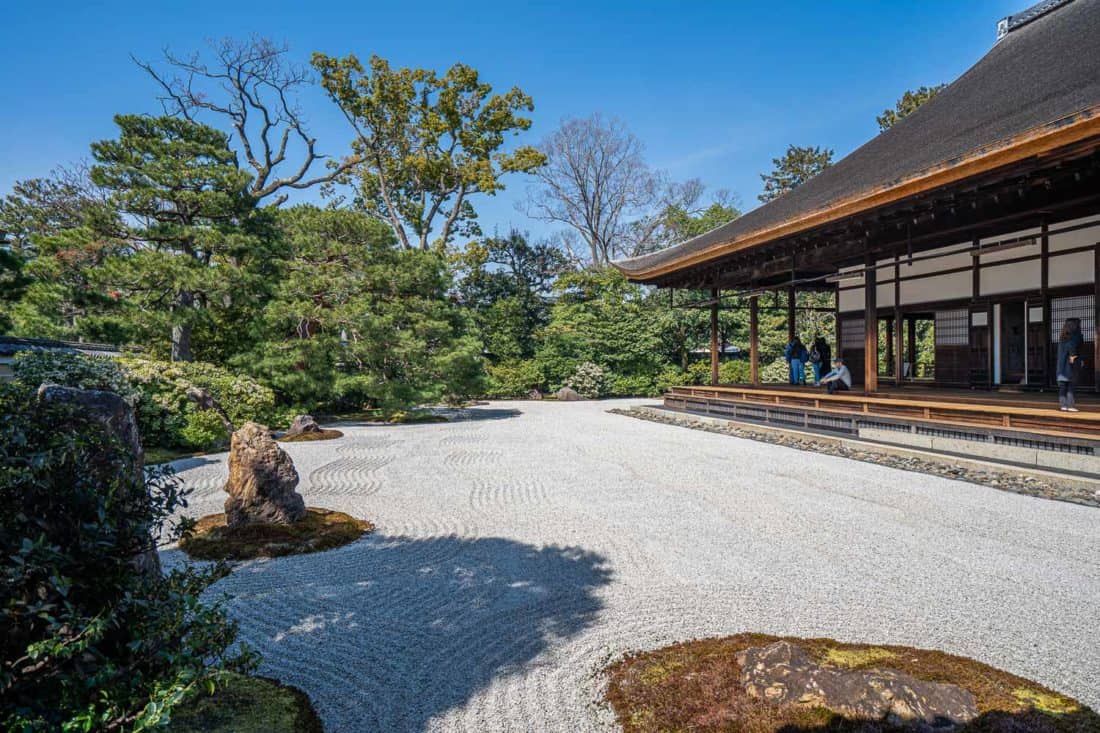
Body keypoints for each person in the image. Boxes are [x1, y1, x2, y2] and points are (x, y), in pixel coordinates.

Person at [1056, 317, 1084, 412]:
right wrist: (1074, 359)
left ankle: (1063, 405)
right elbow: (1072, 349)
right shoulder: (1074, 336)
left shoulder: (1062, 336)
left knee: (1063, 386)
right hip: (1070, 364)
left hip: (1061, 364)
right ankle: (1070, 406)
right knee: (1071, 386)